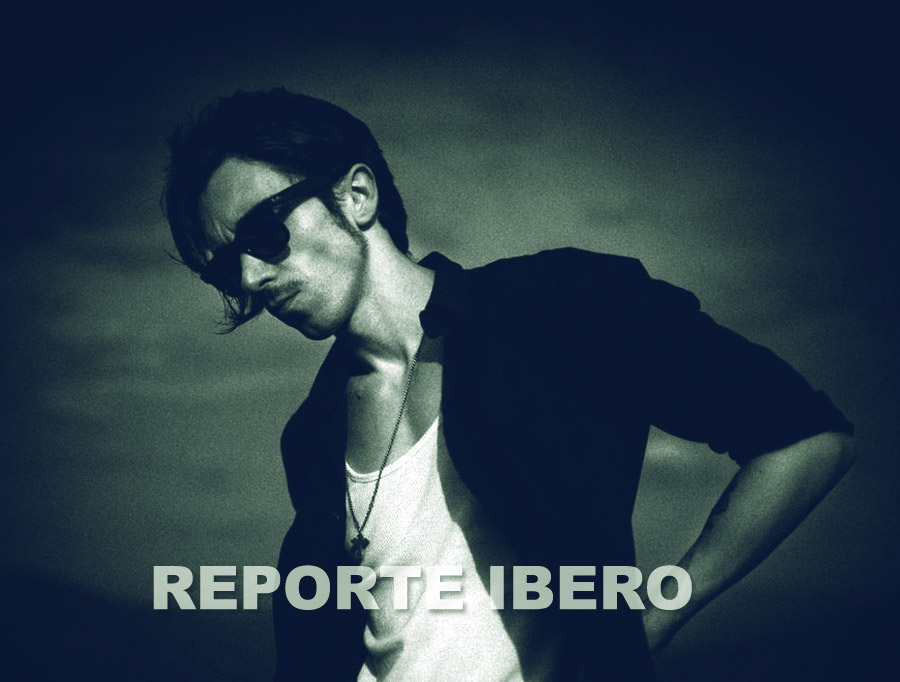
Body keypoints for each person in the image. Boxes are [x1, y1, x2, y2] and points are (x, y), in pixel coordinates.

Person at [164, 88, 855, 681]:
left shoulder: (563, 306)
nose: (250, 277)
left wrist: (649, 621)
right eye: (226, 269)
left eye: (263, 233)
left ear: (357, 194)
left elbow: (808, 439)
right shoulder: (313, 433)